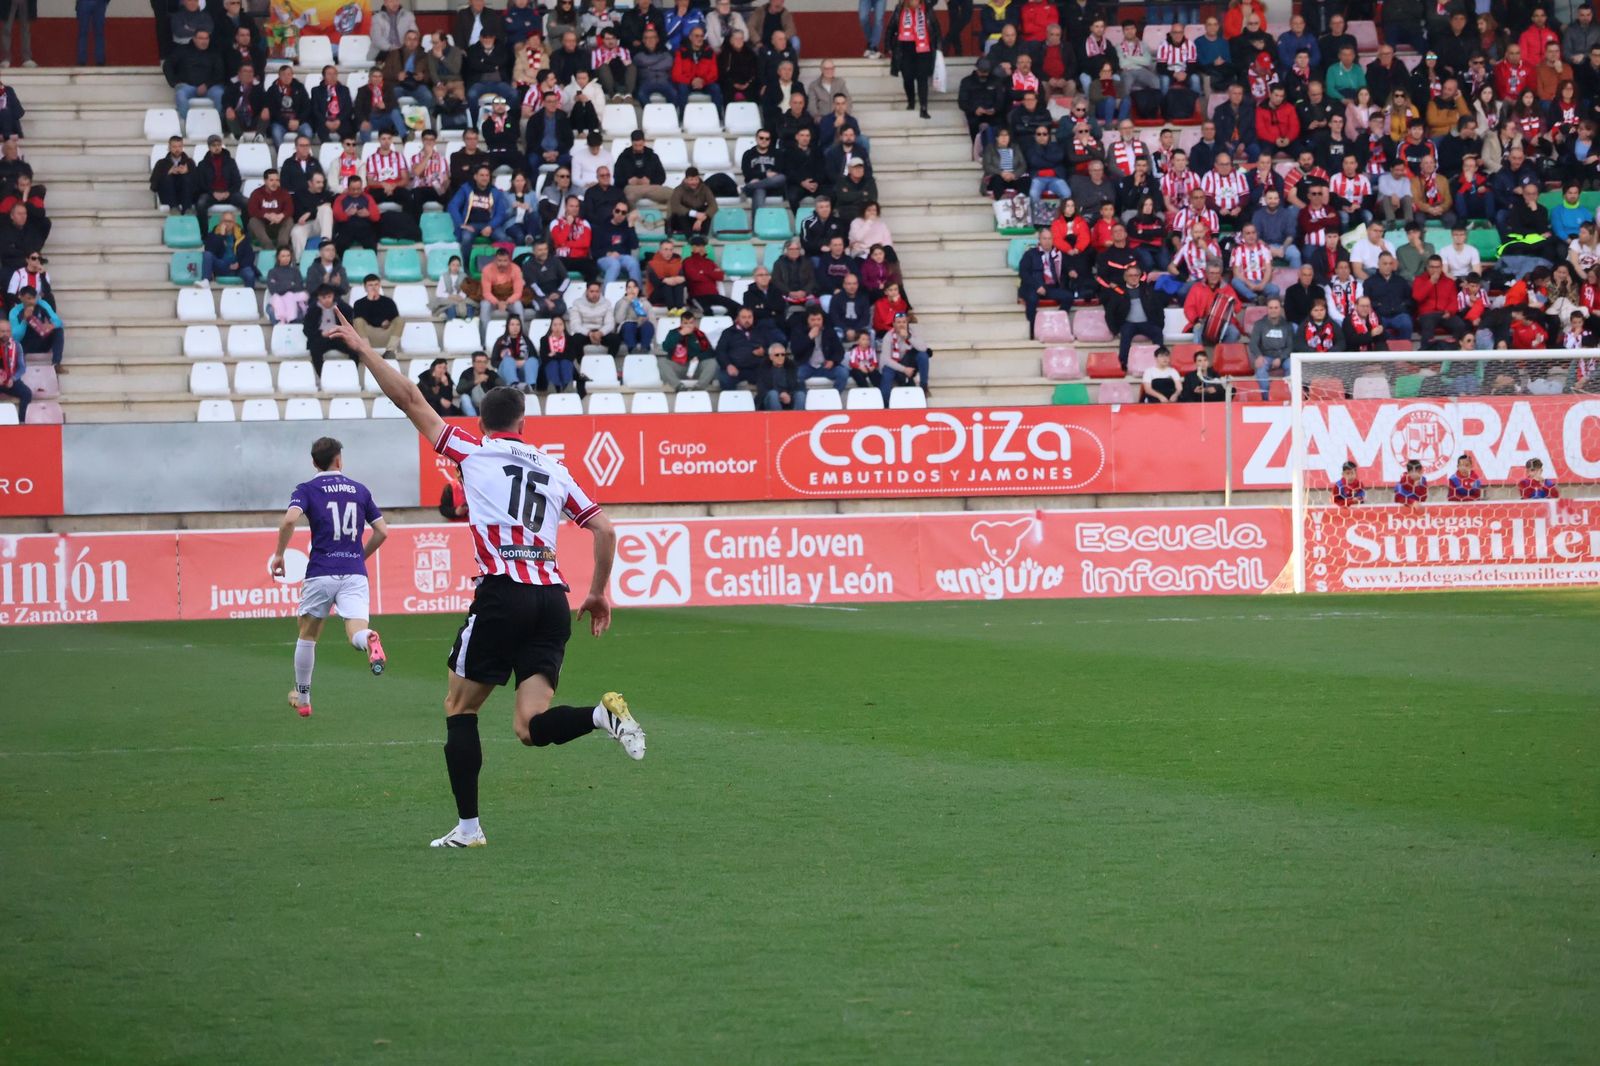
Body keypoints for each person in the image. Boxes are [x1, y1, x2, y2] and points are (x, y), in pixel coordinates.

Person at [268, 437, 390, 719]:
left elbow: (289, 520)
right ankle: (368, 639)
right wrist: (359, 556)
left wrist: (279, 554)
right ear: (339, 460)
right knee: (356, 631)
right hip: (354, 572)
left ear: (314, 462)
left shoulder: (307, 489)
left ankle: (303, 699)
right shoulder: (359, 490)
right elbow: (382, 531)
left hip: (321, 571)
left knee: (308, 634)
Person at [302, 285, 355, 379]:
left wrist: (341, 331)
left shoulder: (341, 307)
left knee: (354, 349)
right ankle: (323, 377)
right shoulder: (312, 310)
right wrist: (321, 333)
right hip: (321, 337)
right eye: (324, 297)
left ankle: (352, 376)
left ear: (333, 296)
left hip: (339, 336)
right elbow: (307, 329)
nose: (327, 300)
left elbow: (351, 320)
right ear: (319, 297)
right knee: (315, 350)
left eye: (329, 297)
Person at [196, 212, 255, 291]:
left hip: (238, 267)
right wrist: (221, 235)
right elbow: (209, 250)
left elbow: (249, 255)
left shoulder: (242, 235)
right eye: (224, 221)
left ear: (234, 223)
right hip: (222, 266)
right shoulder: (213, 234)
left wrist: (239, 264)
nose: (227, 224)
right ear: (220, 222)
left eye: (230, 221)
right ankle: (206, 280)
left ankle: (250, 296)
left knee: (249, 274)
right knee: (207, 254)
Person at [877, 314, 930, 400]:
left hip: (907, 361)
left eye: (904, 322)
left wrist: (908, 337)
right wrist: (904, 369)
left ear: (907, 323)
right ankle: (885, 403)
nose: (901, 324)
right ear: (894, 324)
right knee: (887, 373)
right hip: (893, 365)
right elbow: (886, 360)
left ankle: (924, 387)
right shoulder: (888, 336)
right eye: (899, 322)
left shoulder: (912, 332)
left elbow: (923, 348)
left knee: (923, 355)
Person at [150, 136, 197, 214]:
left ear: (182, 147)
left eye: (179, 146)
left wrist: (188, 172)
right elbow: (153, 185)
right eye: (174, 147)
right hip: (168, 198)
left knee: (186, 177)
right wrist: (168, 173)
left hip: (186, 197)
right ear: (169, 147)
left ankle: (187, 209)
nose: (177, 149)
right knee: (168, 178)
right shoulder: (161, 163)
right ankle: (174, 207)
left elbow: (197, 183)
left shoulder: (189, 162)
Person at [265, 247, 308, 325]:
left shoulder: (295, 271)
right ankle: (280, 330)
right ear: (278, 257)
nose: (286, 258)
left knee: (298, 311)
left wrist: (281, 285)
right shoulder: (272, 272)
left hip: (294, 300)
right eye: (283, 256)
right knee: (271, 311)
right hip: (277, 300)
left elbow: (299, 288)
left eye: (288, 255)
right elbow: (273, 289)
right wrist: (290, 284)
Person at [539, 313, 580, 392]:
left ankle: (566, 386)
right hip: (550, 365)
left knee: (565, 363)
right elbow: (544, 357)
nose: (557, 327)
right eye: (555, 325)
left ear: (564, 326)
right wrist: (561, 355)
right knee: (553, 364)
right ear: (551, 327)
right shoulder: (544, 340)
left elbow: (571, 356)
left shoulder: (570, 339)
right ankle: (556, 387)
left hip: (566, 364)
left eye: (560, 324)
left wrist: (555, 354)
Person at [457, 351, 496, 416]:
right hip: (472, 407)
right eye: (479, 362)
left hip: (487, 408)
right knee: (464, 397)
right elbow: (459, 389)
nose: (482, 364)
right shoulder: (467, 373)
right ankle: (474, 420)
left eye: (484, 362)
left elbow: (502, 386)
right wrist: (476, 381)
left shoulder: (491, 374)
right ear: (473, 363)